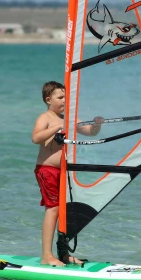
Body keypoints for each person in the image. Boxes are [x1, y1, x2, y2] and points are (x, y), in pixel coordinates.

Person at [32, 81, 102, 266]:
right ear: (49, 100)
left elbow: (89, 131)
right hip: (47, 171)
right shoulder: (45, 117)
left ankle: (63, 253)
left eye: (66, 97)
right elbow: (36, 137)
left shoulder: (68, 119)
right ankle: (46, 255)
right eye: (60, 97)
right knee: (53, 210)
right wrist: (57, 127)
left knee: (64, 211)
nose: (64, 100)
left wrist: (96, 124)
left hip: (64, 172)